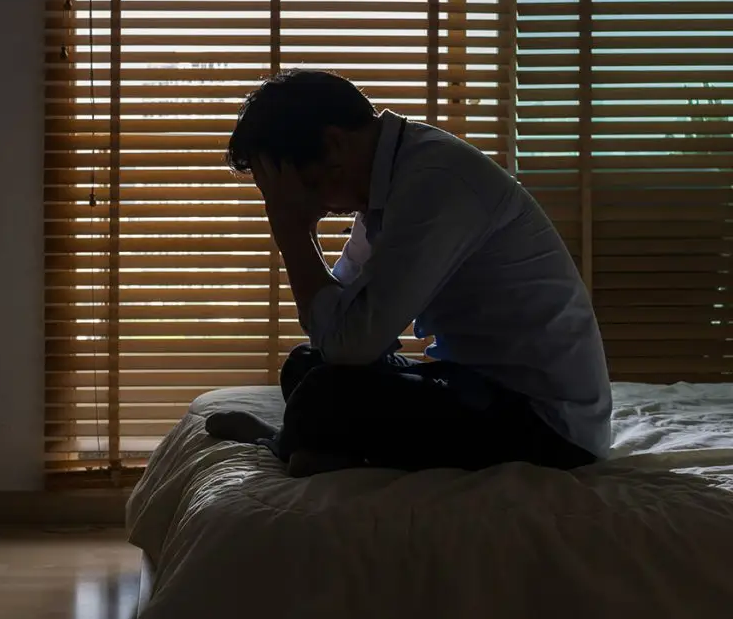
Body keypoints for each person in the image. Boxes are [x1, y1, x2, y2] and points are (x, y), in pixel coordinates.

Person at [205, 69, 612, 477]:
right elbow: (335, 325)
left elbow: (352, 344)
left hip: (547, 423)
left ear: (333, 143)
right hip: (474, 384)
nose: (317, 205)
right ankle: (311, 446)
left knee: (324, 392)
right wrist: (297, 229)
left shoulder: (435, 182)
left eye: (307, 185)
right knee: (305, 364)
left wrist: (291, 232)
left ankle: (287, 443)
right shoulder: (388, 183)